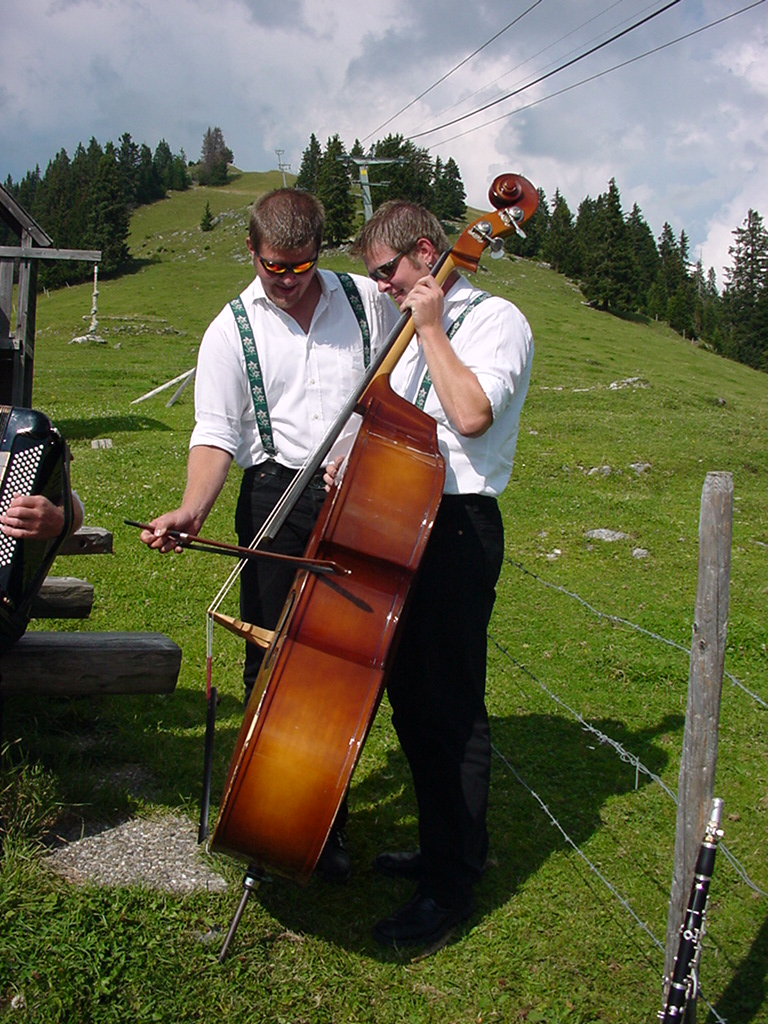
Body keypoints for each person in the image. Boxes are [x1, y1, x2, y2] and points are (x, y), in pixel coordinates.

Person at [140, 187, 399, 883]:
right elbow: (216, 433)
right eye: (273, 267)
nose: (287, 282)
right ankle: (271, 822)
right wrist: (192, 510)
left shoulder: (367, 301)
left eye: (301, 266)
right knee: (273, 665)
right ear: (251, 251)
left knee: (347, 667)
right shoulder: (231, 329)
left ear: (318, 252)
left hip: (366, 498)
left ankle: (324, 824)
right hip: (273, 498)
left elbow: (411, 376)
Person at [343, 199, 534, 947]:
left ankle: (450, 887)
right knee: (412, 704)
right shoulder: (401, 322)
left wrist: (428, 327)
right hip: (394, 518)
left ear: (427, 253)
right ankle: (440, 849)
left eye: (388, 273)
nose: (383, 287)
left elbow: (471, 413)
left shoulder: (495, 321)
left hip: (455, 526)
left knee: (449, 709)